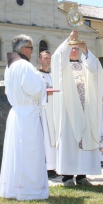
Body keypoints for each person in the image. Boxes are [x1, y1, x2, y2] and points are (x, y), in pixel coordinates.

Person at [0, 35, 48, 201]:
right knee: (29, 153)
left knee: (16, 152)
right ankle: (30, 190)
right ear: (22, 49)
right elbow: (35, 88)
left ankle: (13, 189)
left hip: (16, 112)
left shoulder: (10, 66)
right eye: (31, 48)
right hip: (27, 113)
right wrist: (42, 82)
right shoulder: (25, 66)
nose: (33, 51)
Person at [51, 30, 103, 187]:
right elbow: (57, 58)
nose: (74, 50)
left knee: (84, 140)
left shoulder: (85, 66)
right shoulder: (63, 67)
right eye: (71, 48)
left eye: (76, 48)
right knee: (69, 142)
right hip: (69, 110)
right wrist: (69, 39)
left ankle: (82, 176)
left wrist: (86, 50)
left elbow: (96, 69)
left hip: (84, 109)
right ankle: (67, 177)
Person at [38, 50, 58, 179]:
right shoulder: (37, 75)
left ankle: (54, 165)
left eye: (50, 58)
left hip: (54, 110)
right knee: (46, 139)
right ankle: (46, 167)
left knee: (54, 139)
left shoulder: (52, 75)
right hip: (44, 110)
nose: (48, 60)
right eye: (45, 58)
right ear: (40, 60)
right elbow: (37, 91)